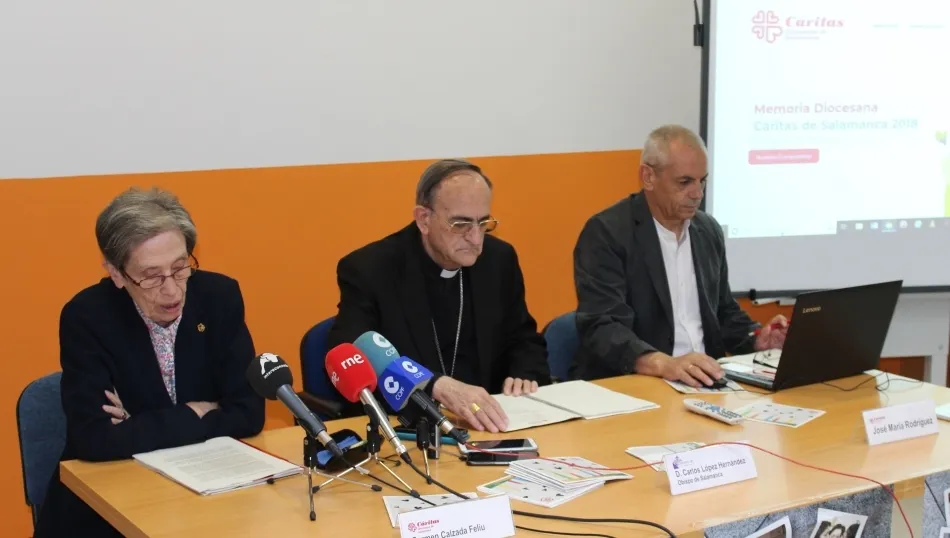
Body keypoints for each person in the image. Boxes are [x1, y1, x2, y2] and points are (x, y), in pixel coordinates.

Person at [34, 188, 265, 538]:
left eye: (180, 268)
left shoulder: (219, 298)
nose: (172, 291)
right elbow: (95, 439)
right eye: (152, 276)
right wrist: (196, 411)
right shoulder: (87, 317)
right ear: (116, 273)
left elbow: (248, 414)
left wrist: (136, 425)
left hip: (205, 500)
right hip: (104, 510)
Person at [326, 159, 550, 433]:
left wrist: (523, 374)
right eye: (461, 224)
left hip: (490, 425)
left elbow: (523, 337)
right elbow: (352, 349)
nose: (476, 239)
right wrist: (433, 384)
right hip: (409, 429)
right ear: (424, 219)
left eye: (484, 223)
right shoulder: (371, 268)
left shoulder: (498, 260)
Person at [571, 125, 787, 387]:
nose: (697, 193)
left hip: (707, 381)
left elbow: (723, 311)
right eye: (684, 182)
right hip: (637, 385)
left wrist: (756, 339)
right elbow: (602, 326)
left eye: (702, 180)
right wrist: (664, 363)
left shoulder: (708, 231)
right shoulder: (607, 233)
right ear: (648, 177)